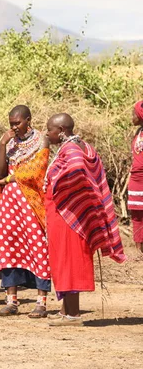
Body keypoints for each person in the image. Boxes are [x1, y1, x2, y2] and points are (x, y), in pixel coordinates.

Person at [45, 114, 126, 326]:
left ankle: (72, 315)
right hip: (69, 213)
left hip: (67, 214)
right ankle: (66, 310)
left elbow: (76, 168)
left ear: (61, 130)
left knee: (69, 260)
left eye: (50, 129)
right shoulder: (82, 145)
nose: (47, 133)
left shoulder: (71, 149)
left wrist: (62, 188)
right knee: (66, 259)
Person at [0, 105, 51, 317]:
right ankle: (11, 300)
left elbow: (37, 170)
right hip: (9, 203)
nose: (14, 127)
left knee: (38, 247)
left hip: (32, 203)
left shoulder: (41, 140)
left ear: (28, 120)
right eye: (11, 124)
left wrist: (11, 177)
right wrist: (2, 145)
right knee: (8, 246)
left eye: (17, 123)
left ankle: (41, 303)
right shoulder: (10, 144)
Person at [129, 100, 143, 254]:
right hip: (136, 179)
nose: (131, 117)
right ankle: (139, 249)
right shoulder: (138, 133)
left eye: (133, 114)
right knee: (136, 213)